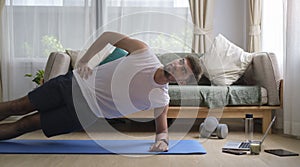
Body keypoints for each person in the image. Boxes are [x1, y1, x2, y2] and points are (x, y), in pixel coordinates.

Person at [0, 31, 202, 152]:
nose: (177, 66)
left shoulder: (161, 99)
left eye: (183, 70)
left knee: (24, 125)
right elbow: (108, 37)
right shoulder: (144, 52)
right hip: (73, 85)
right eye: (180, 61)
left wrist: (162, 143)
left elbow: (162, 131)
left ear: (183, 82)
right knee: (17, 106)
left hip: (83, 113)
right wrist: (85, 60)